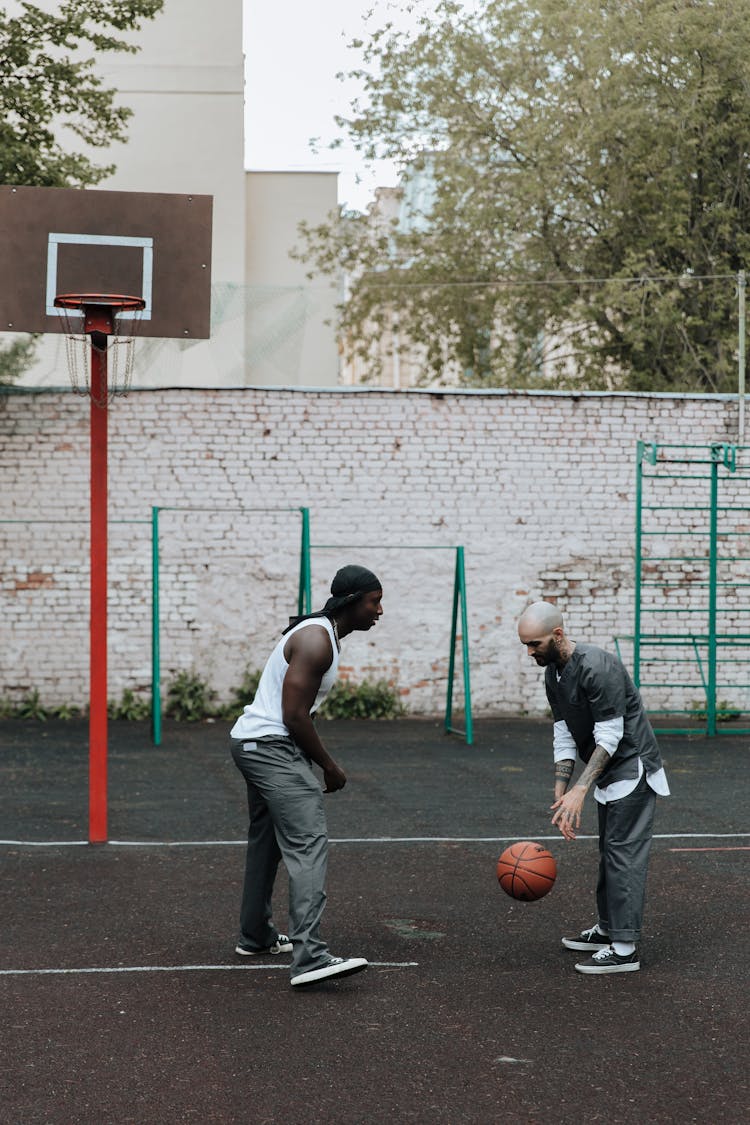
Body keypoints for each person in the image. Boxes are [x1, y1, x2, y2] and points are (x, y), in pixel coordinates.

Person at [230, 564, 383, 987]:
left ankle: (256, 936)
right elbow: (293, 715)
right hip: (271, 747)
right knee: (308, 842)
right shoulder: (317, 640)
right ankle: (311, 958)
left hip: (256, 743)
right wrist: (328, 766)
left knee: (267, 841)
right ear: (353, 602)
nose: (379, 610)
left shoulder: (322, 632)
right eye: (374, 601)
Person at [517, 601, 670, 975]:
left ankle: (624, 949)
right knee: (610, 852)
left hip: (632, 766)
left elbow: (611, 735)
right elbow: (564, 732)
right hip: (606, 773)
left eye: (534, 644)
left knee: (623, 855)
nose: (530, 652)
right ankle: (607, 930)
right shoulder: (553, 674)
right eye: (525, 645)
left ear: (557, 635)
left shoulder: (597, 666)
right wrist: (561, 787)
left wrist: (580, 791)